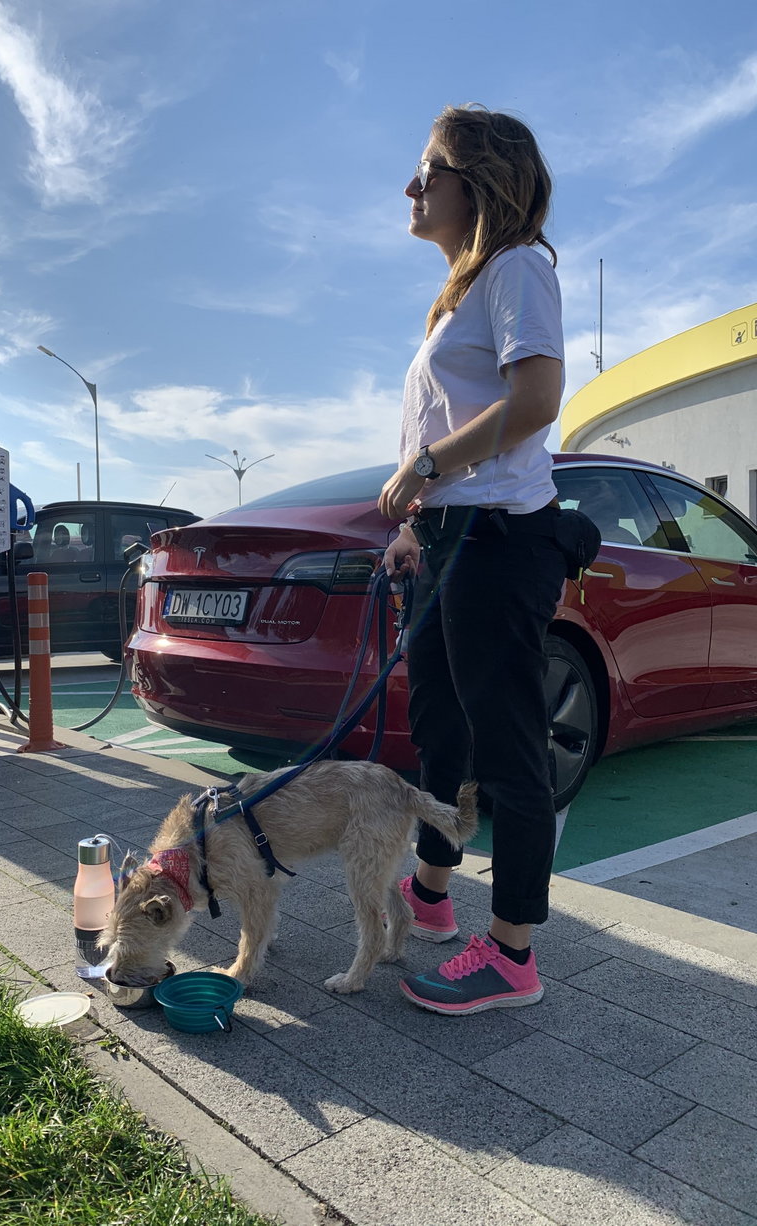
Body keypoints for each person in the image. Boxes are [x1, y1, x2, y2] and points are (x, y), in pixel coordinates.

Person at [379, 105, 568, 1016]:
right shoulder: (466, 289)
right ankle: (430, 895)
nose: (412, 188)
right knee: (442, 734)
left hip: (500, 538)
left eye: (428, 171)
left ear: (478, 183)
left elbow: (535, 401)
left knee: (507, 751)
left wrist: (424, 466)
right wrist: (419, 514)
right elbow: (452, 428)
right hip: (456, 535)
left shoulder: (520, 266)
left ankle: (514, 955)